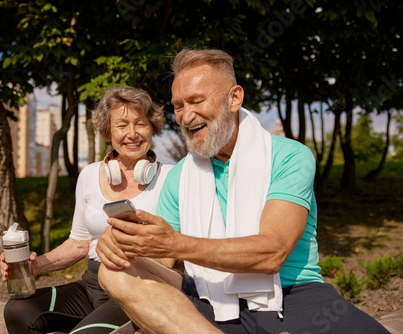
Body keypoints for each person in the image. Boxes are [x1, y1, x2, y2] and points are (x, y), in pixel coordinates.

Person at [96, 49, 390, 334]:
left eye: (196, 101)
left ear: (234, 98)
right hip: (208, 298)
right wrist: (127, 247)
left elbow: (272, 252)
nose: (186, 116)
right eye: (179, 106)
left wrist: (174, 244)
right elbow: (161, 260)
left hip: (291, 296)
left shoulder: (289, 156)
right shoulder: (182, 176)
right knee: (112, 271)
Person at [0, 85, 174, 334]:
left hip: (138, 287)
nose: (132, 134)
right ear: (107, 131)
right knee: (17, 311)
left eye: (141, 123)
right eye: (122, 125)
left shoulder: (171, 177)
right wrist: (35, 266)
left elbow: (173, 252)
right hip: (91, 283)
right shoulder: (90, 174)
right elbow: (79, 244)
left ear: (153, 127)